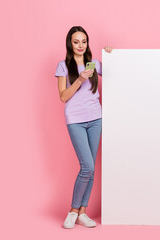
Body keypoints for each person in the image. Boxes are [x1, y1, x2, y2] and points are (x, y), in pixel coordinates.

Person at [55, 26, 113, 229]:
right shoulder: (63, 66)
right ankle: (72, 210)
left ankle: (82, 212)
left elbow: (121, 72)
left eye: (84, 41)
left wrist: (112, 56)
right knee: (87, 166)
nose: (80, 45)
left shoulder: (95, 64)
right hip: (75, 120)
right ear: (70, 44)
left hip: (96, 118)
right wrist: (80, 79)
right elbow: (63, 97)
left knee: (91, 168)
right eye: (76, 41)